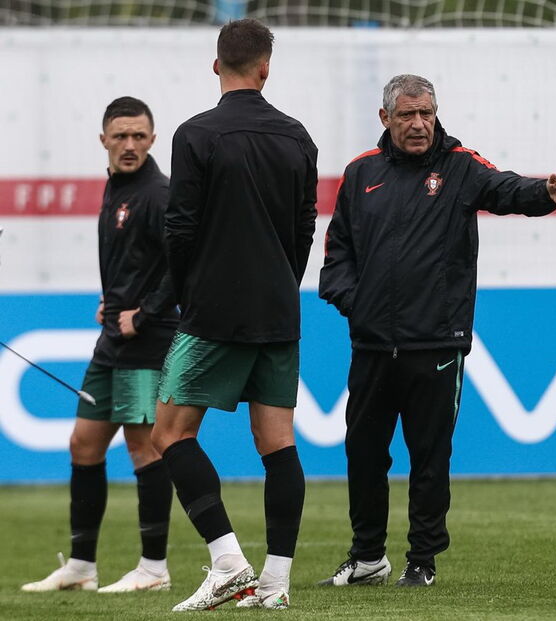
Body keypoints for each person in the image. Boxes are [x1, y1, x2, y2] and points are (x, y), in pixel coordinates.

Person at [318, 74, 556, 588]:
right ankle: (367, 558)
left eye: (426, 113)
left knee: (429, 459)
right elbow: (337, 253)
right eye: (408, 114)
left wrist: (543, 193)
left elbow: (506, 188)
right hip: (371, 345)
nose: (419, 124)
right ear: (385, 118)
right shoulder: (359, 173)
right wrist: (355, 304)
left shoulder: (459, 166)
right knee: (364, 455)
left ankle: (422, 562)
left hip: (435, 342)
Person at [150, 18, 318, 611]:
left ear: (215, 64)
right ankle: (275, 584)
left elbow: (180, 228)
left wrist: (187, 294)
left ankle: (228, 562)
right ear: (266, 68)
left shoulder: (195, 134)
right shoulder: (297, 137)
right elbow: (304, 230)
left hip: (214, 312)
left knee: (169, 433)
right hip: (278, 308)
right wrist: (280, 283)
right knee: (277, 443)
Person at [22, 97, 177, 594]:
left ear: (152, 139)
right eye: (120, 136)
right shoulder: (118, 188)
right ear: (104, 140)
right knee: (83, 445)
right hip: (112, 341)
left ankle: (154, 568)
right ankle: (83, 566)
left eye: (138, 136)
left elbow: (182, 267)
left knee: (143, 449)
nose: (129, 144)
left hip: (146, 342)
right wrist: (110, 302)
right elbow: (137, 262)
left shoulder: (157, 193)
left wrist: (145, 313)